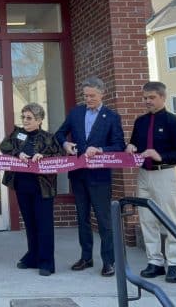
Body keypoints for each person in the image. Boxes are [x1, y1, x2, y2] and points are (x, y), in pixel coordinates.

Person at [54, 76, 124, 277]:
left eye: (92, 95)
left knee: (103, 220)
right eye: (86, 96)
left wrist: (101, 149)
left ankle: (108, 261)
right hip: (78, 175)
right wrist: (65, 144)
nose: (89, 99)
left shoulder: (111, 117)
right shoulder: (76, 113)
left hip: (100, 177)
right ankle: (86, 257)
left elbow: (119, 145)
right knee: (82, 218)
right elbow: (60, 133)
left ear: (103, 93)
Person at [126, 81, 176, 284]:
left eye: (152, 97)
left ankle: (174, 264)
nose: (147, 101)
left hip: (164, 174)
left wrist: (160, 155)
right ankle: (155, 262)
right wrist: (130, 147)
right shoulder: (140, 122)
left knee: (171, 219)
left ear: (163, 97)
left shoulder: (174, 122)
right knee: (146, 220)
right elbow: (135, 144)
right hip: (144, 175)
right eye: (145, 98)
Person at [0, 103, 61, 276]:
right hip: (22, 185)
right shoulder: (18, 133)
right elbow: (4, 146)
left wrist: (44, 157)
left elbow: (60, 157)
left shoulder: (49, 137)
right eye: (23, 117)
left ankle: (47, 262)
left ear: (39, 120)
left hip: (43, 188)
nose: (25, 121)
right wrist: (18, 153)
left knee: (44, 225)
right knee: (30, 224)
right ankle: (32, 256)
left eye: (29, 118)